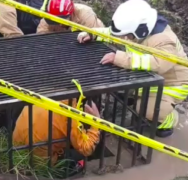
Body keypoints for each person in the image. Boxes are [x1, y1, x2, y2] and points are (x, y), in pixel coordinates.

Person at [77, 0, 188, 138]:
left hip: (170, 85)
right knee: (125, 93)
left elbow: (158, 63)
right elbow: (115, 34)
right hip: (148, 77)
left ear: (141, 30)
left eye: (127, 35)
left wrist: (120, 58)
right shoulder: (137, 30)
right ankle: (139, 98)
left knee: (148, 111)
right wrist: (92, 34)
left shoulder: (164, 40)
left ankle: (168, 119)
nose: (125, 38)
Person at [13, 100, 100, 175]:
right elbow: (86, 148)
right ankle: (57, 173)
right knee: (80, 157)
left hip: (16, 148)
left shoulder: (48, 92)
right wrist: (96, 123)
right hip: (38, 162)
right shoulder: (70, 115)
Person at [36, 0, 104, 34]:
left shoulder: (86, 15)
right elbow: (41, 36)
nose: (59, 24)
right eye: (55, 21)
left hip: (87, 40)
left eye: (61, 20)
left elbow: (93, 39)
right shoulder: (48, 18)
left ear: (70, 14)